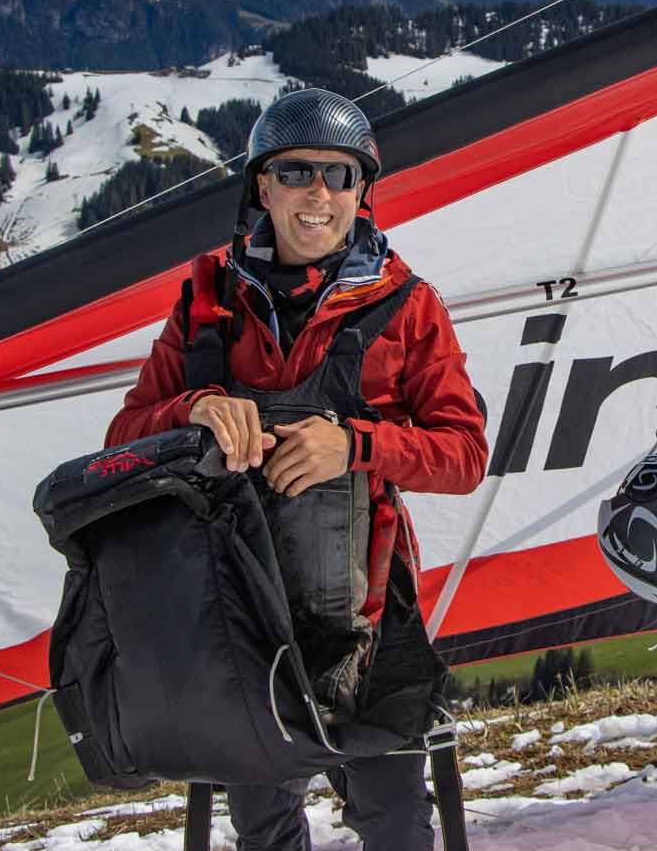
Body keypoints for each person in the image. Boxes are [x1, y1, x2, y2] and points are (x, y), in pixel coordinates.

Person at [106, 88, 488, 851]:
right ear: (262, 186)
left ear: (362, 191)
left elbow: (465, 455)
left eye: (340, 175)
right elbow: (124, 436)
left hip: (368, 619)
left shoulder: (408, 306)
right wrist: (196, 408)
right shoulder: (207, 300)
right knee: (264, 825)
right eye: (297, 171)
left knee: (393, 821)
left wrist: (356, 444)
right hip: (240, 613)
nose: (319, 194)